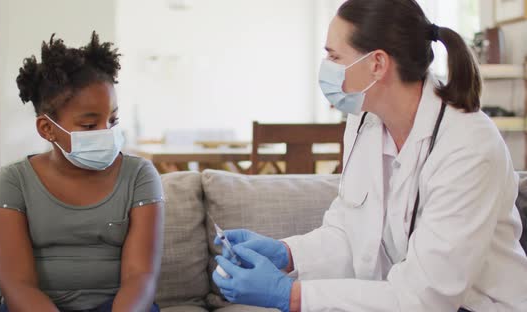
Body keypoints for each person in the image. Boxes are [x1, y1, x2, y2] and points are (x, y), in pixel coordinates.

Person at [212, 0, 527, 311]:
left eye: (334, 56)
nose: (327, 69)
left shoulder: (468, 147)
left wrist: (291, 296)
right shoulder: (364, 120)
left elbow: (425, 298)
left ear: (377, 64)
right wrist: (286, 253)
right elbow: (351, 233)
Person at [0, 32, 163, 312]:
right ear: (47, 129)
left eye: (113, 119)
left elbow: (140, 277)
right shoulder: (12, 181)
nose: (107, 133)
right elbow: (17, 284)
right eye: (90, 126)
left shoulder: (139, 175)